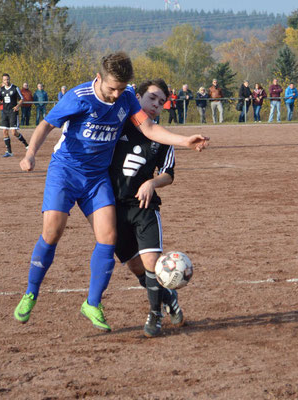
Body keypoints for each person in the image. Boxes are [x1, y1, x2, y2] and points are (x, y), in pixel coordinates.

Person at [13, 52, 208, 332]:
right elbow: (46, 124)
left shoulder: (128, 97)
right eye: (111, 88)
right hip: (66, 172)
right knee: (52, 233)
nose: (117, 94)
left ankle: (92, 304)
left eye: (121, 88)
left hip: (96, 179)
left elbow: (150, 129)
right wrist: (30, 154)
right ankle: (31, 292)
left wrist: (185, 141)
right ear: (98, 78)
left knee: (108, 237)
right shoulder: (79, 97)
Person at [109, 78, 183, 337]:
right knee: (136, 267)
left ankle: (155, 315)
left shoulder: (162, 138)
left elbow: (169, 174)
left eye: (162, 102)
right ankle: (169, 297)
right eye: (152, 98)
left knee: (152, 263)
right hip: (114, 209)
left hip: (145, 208)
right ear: (137, 97)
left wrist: (152, 183)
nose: (156, 105)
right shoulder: (117, 127)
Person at [0, 73, 28, 157]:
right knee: (4, 131)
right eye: (4, 80)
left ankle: (26, 144)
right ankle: (9, 152)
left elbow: (22, 99)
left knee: (14, 132)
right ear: (2, 80)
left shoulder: (15, 88)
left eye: (7, 79)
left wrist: (17, 106)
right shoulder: (2, 89)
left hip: (13, 112)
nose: (6, 81)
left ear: (9, 79)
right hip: (5, 112)